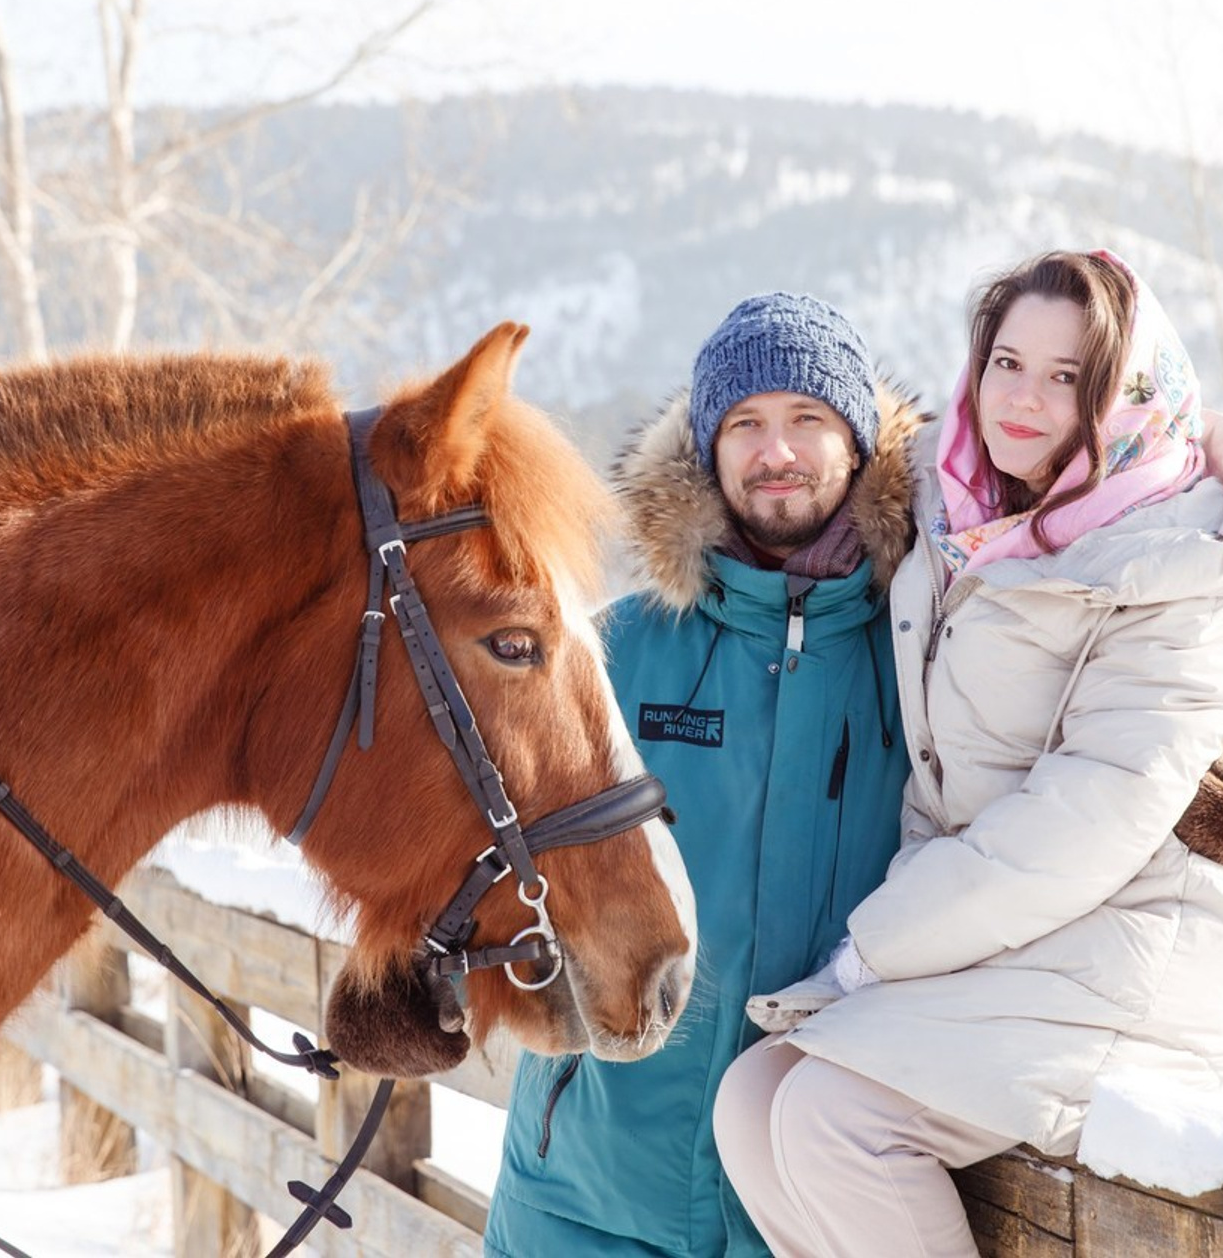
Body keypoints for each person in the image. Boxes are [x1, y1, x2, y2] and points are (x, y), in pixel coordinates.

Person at [713, 249, 1223, 1257]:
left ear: (1123, 396)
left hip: (1122, 948)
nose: (1020, 397)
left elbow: (1086, 821)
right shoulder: (960, 520)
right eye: (1004, 360)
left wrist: (880, 943)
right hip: (1002, 940)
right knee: (750, 1097)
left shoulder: (1170, 566)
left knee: (830, 1119)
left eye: (1065, 375)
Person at [484, 292, 921, 1255]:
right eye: (746, 424)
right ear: (708, 451)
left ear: (856, 443)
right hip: (584, 1196)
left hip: (797, 1207)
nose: (778, 452)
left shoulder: (921, 658)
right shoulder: (611, 652)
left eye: (807, 419)